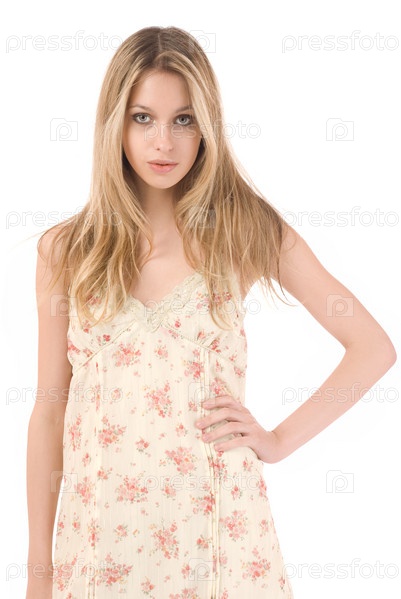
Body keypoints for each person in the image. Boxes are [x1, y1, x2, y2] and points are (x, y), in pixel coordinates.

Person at [25, 26, 396, 599]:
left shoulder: (245, 231)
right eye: (143, 118)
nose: (163, 143)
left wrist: (277, 440)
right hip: (100, 550)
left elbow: (372, 348)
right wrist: (39, 574)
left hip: (222, 543)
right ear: (114, 124)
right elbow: (50, 414)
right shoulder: (68, 250)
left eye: (184, 119)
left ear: (207, 126)